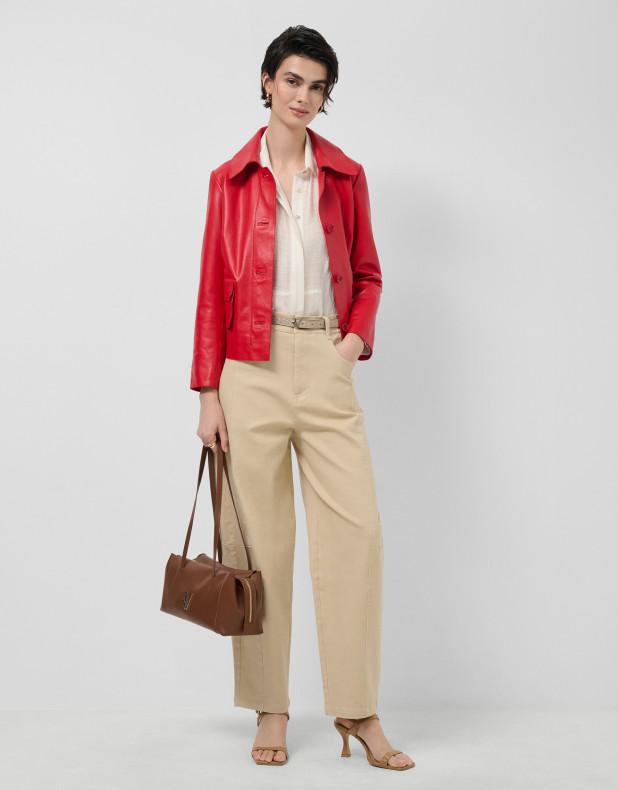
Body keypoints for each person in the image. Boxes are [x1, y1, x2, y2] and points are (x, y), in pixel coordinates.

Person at [190, 25, 414, 771]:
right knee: (258, 547)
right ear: (267, 81)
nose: (303, 97)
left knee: (358, 534)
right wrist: (208, 393)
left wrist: (350, 345)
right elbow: (210, 292)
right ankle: (271, 708)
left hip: (325, 360)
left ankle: (358, 707)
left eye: (317, 87)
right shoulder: (230, 180)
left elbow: (369, 274)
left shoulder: (345, 176)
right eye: (292, 80)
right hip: (247, 370)